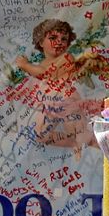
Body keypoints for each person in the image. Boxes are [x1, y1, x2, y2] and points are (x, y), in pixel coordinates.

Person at [14, 18, 98, 157]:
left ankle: (85, 144)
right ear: (41, 42)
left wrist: (25, 65)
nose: (59, 41)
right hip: (48, 103)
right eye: (53, 37)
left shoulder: (66, 58)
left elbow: (44, 74)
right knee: (39, 133)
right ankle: (72, 143)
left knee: (76, 130)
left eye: (64, 39)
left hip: (67, 100)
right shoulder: (43, 61)